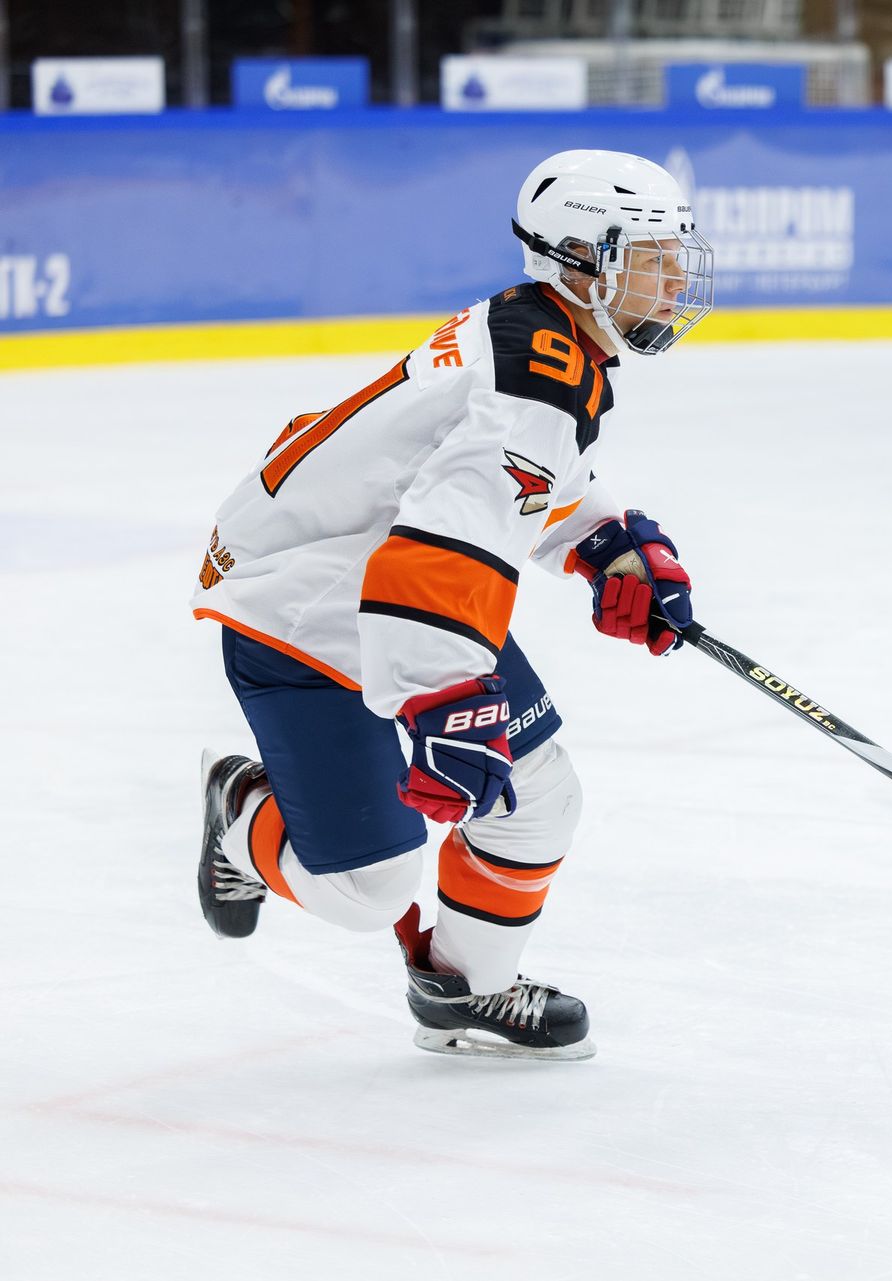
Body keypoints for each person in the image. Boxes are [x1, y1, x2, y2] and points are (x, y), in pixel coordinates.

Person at [190, 149, 714, 1060]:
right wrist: (444, 697)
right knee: (367, 890)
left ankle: (467, 987)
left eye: (676, 257)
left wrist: (607, 544)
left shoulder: (547, 342)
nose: (673, 282)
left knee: (537, 797)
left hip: (398, 589)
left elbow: (509, 487)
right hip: (298, 600)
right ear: (581, 260)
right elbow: (447, 538)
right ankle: (239, 811)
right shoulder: (535, 371)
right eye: (651, 258)